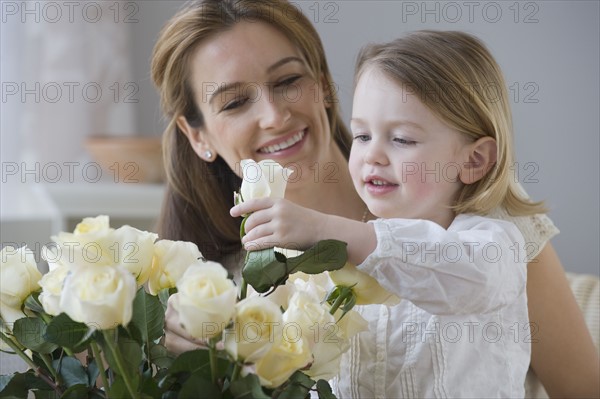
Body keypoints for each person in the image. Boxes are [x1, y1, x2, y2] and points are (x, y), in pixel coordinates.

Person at [150, 1, 599, 397]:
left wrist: (332, 233)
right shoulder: (217, 290)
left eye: (288, 80)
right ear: (198, 135)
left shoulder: (480, 218)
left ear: (324, 86)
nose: (274, 115)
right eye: (234, 102)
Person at [230, 30, 530, 397]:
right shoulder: (337, 267)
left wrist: (327, 229)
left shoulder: (492, 244)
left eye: (401, 139)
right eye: (361, 136)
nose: (372, 155)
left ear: (474, 160)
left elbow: (467, 281)